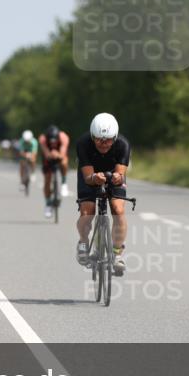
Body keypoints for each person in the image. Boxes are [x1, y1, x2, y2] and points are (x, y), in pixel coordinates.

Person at [75, 112, 130, 275]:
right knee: (87, 212)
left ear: (115, 137)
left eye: (108, 140)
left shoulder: (123, 144)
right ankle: (83, 242)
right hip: (90, 174)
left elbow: (120, 174)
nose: (104, 144)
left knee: (118, 210)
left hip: (113, 174)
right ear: (92, 136)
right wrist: (94, 178)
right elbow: (88, 177)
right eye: (99, 139)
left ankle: (117, 253)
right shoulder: (83, 143)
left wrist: (117, 177)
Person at [39, 124, 70, 219]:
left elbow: (62, 153)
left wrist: (57, 154)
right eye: (51, 141)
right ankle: (48, 204)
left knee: (64, 162)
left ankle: (64, 183)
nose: (53, 143)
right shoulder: (43, 139)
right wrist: (50, 154)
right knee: (47, 181)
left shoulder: (63, 137)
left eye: (55, 141)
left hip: (59, 154)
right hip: (48, 157)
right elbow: (46, 153)